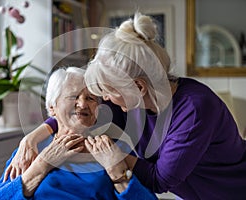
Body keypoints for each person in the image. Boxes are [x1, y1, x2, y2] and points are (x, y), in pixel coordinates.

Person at [83, 12, 246, 199]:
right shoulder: (132, 101)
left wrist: (113, 157)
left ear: (138, 86)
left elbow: (158, 180)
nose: (105, 97)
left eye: (108, 91)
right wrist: (44, 132)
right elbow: (81, 112)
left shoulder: (194, 109)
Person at [0, 67, 157, 200]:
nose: (83, 104)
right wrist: (40, 167)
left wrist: (118, 173)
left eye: (90, 98)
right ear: (52, 107)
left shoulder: (115, 149)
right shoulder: (30, 152)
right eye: (73, 97)